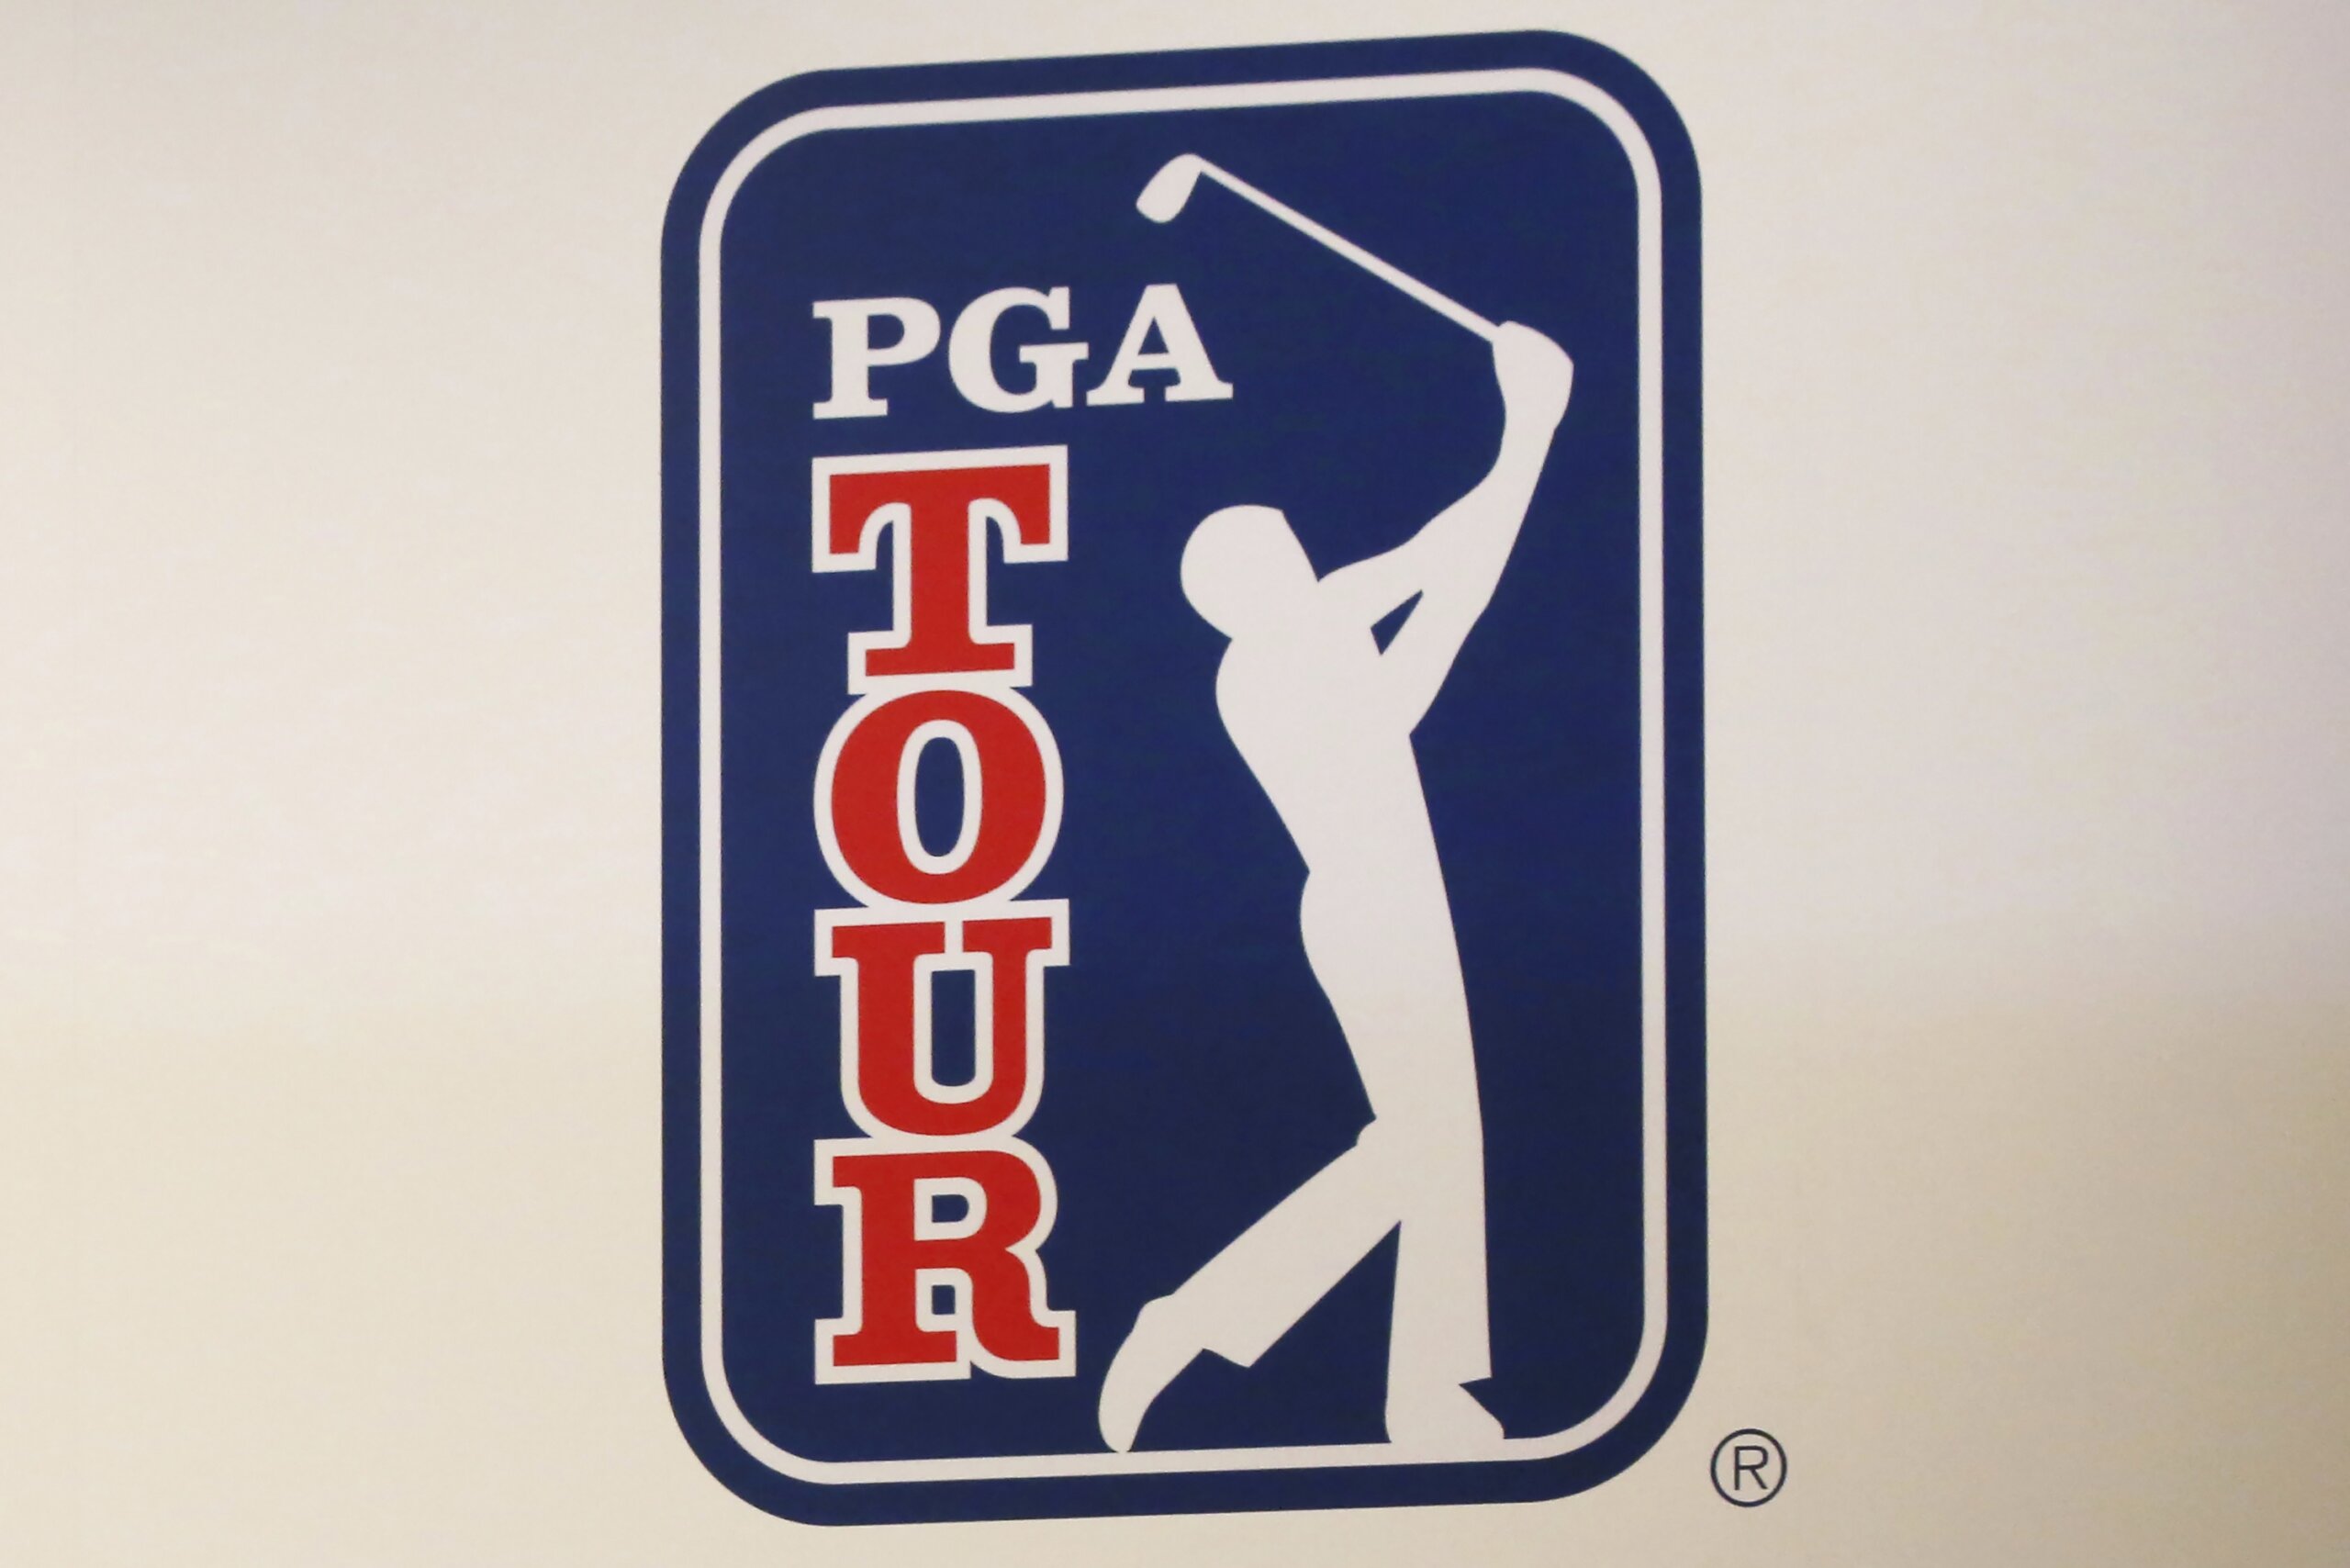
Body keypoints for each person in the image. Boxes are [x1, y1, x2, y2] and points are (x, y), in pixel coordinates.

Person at [1098, 322, 1575, 1453]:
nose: (1300, 555)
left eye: (1293, 544)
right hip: (1370, 914)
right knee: (1419, 1145)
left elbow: (1439, 556)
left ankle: (1418, 1392)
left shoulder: (1313, 621)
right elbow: (1429, 638)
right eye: (1277, 552)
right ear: (1241, 591)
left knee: (1433, 1143)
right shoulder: (1267, 668)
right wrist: (1529, 429)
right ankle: (1204, 1319)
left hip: (1397, 902)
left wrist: (1528, 430)